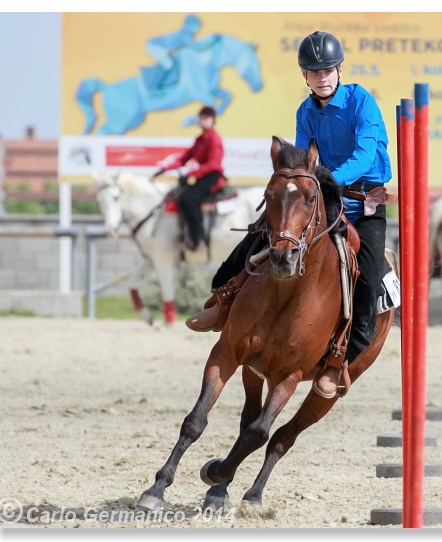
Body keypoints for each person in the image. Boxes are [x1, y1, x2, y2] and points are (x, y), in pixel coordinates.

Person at [186, 31, 392, 400]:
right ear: (305, 76)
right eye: (314, 72)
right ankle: (222, 301)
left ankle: (339, 362)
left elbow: (365, 154)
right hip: (320, 196)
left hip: (364, 202)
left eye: (328, 70)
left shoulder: (363, 102)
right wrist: (303, 181)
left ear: (340, 69)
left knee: (370, 275)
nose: (322, 77)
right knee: (263, 229)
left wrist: (326, 180)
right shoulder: (305, 111)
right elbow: (299, 158)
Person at [155, 105, 224, 252]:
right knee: (179, 196)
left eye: (206, 118)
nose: (202, 121)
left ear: (213, 120)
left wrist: (193, 173)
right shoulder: (200, 139)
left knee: (189, 199)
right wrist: (166, 168)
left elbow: (214, 164)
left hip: (212, 176)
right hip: (201, 175)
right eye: (201, 118)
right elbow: (184, 158)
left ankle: (199, 239)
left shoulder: (214, 139)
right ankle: (183, 235)